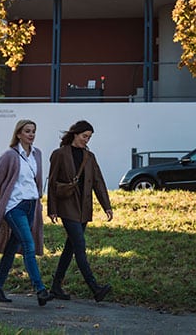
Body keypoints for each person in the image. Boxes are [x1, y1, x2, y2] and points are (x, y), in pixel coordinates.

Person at [0, 119, 52, 306]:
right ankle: (40, 289)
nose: (31, 134)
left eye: (33, 131)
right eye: (27, 131)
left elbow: (36, 182)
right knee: (28, 244)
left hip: (31, 206)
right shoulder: (9, 155)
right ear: (18, 134)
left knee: (11, 248)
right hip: (14, 207)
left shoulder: (37, 154)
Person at [46, 119, 114, 302]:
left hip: (84, 208)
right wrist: (51, 209)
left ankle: (55, 287)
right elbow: (52, 182)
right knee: (80, 247)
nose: (87, 140)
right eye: (85, 136)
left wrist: (106, 206)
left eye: (89, 137)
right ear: (75, 134)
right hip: (67, 206)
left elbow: (98, 182)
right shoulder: (59, 154)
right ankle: (95, 288)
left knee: (70, 248)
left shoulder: (89, 157)